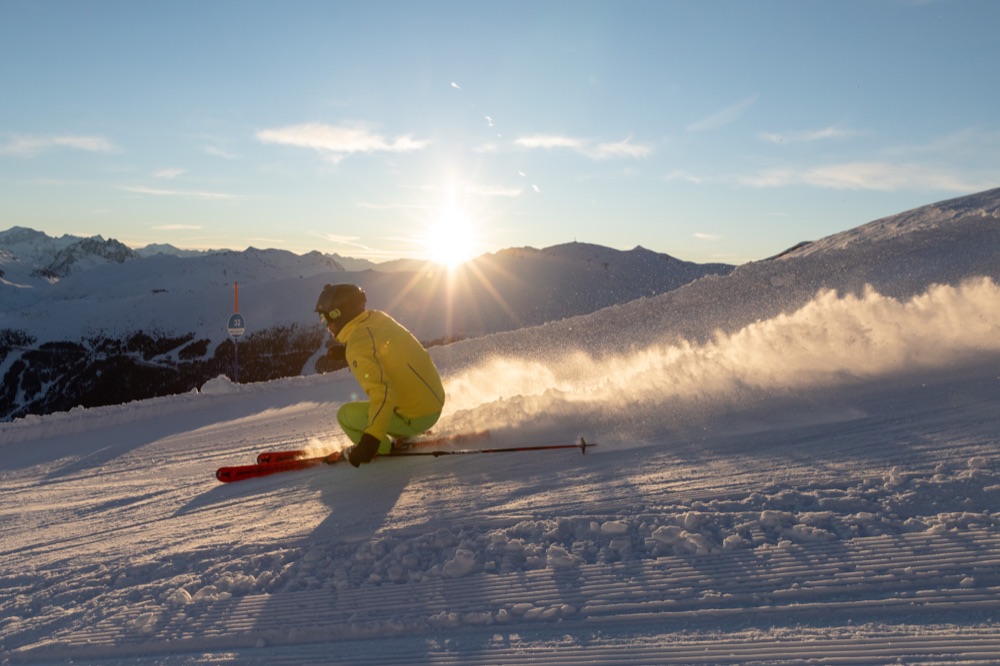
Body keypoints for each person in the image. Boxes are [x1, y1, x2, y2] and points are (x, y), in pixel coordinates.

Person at [315, 283, 446, 467]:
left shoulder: (358, 346)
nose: (326, 325)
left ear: (339, 313)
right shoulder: (377, 317)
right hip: (434, 400)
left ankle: (381, 448)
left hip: (416, 417)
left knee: (344, 415)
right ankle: (404, 426)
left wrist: (371, 440)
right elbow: (384, 348)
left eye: (325, 317)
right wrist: (348, 352)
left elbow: (383, 394)